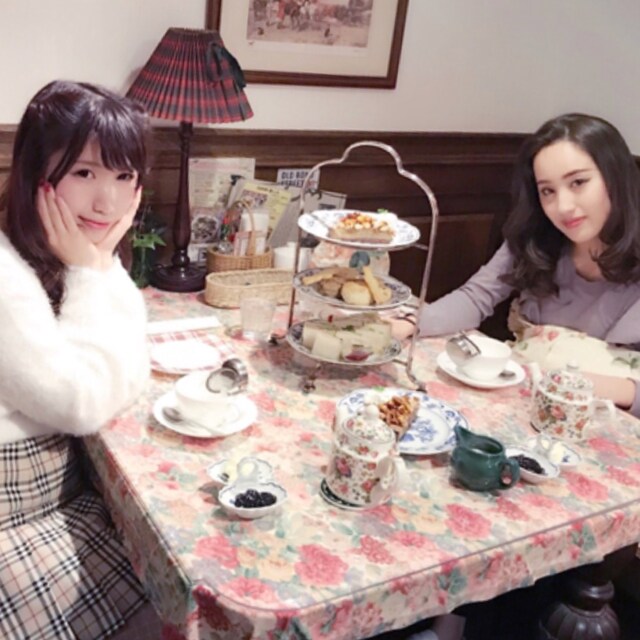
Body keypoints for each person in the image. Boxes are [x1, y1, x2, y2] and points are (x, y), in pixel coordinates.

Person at [0, 80, 162, 638]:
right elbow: (84, 402)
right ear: (36, 175)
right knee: (169, 605)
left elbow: (133, 356)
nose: (106, 203)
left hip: (58, 484)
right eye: (85, 173)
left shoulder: (52, 250)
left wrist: (98, 263)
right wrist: (92, 270)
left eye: (123, 176)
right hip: (17, 510)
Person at [395, 113, 640, 418]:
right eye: (548, 191)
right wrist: (408, 323)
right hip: (526, 407)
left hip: (607, 423)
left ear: (615, 177)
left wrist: (588, 384)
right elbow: (476, 297)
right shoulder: (535, 238)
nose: (563, 206)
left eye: (578, 182)